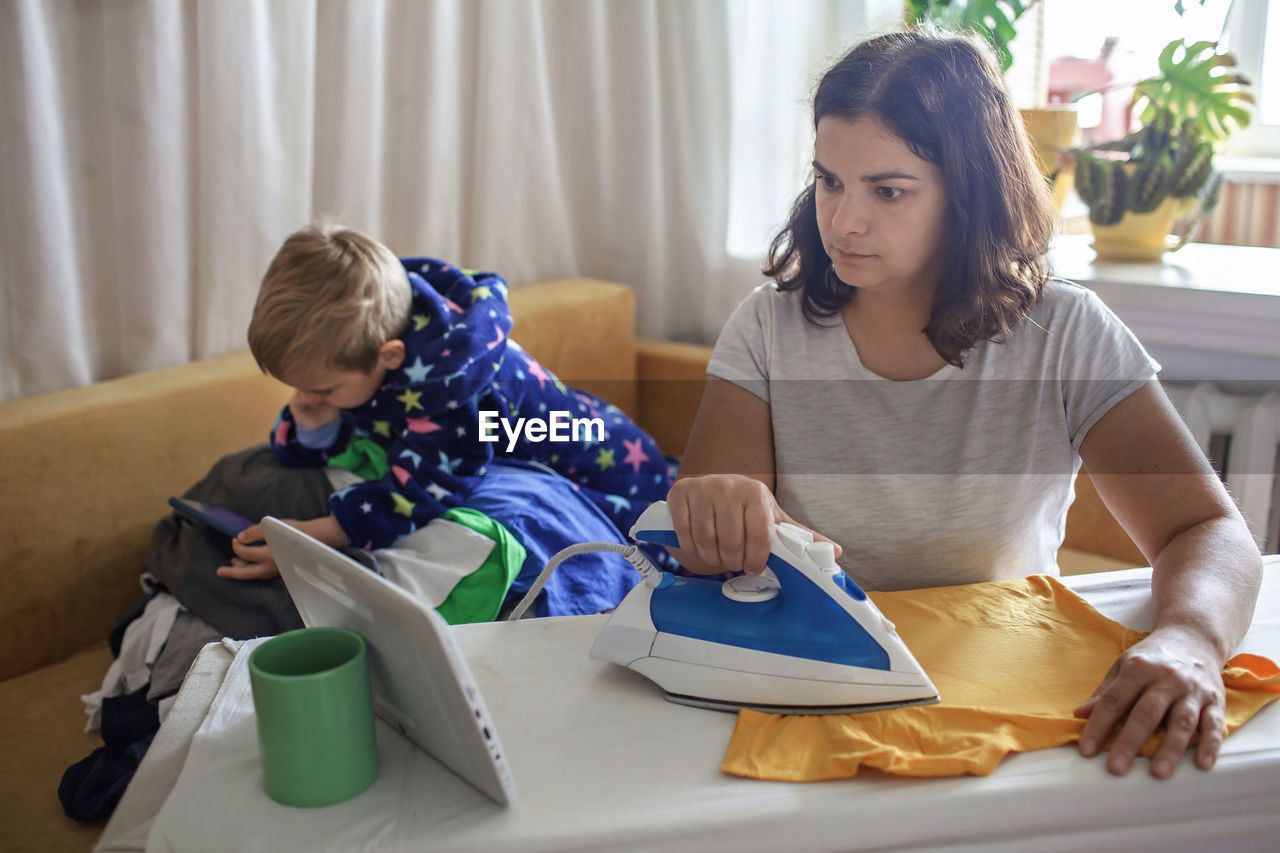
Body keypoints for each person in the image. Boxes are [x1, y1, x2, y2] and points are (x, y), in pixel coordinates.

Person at [665, 29, 1262, 780]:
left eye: (887, 191)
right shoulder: (767, 326)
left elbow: (1206, 527)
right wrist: (718, 512)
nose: (845, 221)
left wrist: (1190, 636)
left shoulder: (1064, 331)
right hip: (818, 691)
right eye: (829, 181)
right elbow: (707, 547)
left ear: (968, 194)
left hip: (1013, 696)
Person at [220, 223, 672, 580]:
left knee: (655, 556)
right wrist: (315, 424)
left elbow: (417, 496)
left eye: (323, 390)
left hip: (611, 472)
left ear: (389, 358)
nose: (306, 397)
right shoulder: (365, 344)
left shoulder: (453, 399)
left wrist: (311, 538)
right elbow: (327, 433)